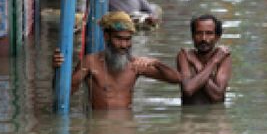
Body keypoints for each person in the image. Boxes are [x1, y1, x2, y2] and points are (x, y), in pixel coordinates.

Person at [52, 12, 180, 110]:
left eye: (128, 39)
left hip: (127, 130)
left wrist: (156, 62)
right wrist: (57, 69)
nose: (124, 45)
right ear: (107, 37)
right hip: (100, 131)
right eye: (119, 39)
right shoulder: (90, 63)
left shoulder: (135, 65)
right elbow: (64, 94)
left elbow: (177, 79)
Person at [177, 14, 232, 105]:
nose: (204, 38)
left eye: (209, 33)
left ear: (217, 37)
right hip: (190, 116)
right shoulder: (184, 55)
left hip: (215, 116)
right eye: (199, 33)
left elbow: (217, 97)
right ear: (193, 36)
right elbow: (188, 89)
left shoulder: (223, 57)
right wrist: (213, 63)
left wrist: (198, 64)